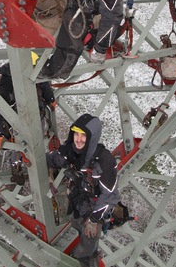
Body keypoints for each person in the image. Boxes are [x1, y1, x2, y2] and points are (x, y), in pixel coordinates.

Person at [46, 114, 119, 266]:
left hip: (93, 211)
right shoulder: (71, 151)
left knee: (87, 248)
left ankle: (84, 260)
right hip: (76, 202)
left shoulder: (104, 162)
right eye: (76, 134)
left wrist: (93, 219)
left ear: (91, 137)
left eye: (83, 136)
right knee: (76, 224)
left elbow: (110, 196)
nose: (78, 139)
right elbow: (53, 159)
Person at [0, 63, 56, 184]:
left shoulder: (29, 73)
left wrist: (50, 99)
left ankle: (24, 162)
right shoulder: (7, 84)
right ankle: (22, 162)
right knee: (24, 139)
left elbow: (44, 85)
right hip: (24, 115)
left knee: (27, 140)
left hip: (31, 113)